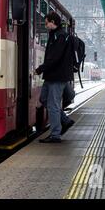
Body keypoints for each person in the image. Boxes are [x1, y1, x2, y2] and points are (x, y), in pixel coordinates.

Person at [35, 11, 75, 143]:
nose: (46, 25)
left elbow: (55, 58)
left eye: (47, 23)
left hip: (57, 76)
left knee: (53, 105)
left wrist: (41, 68)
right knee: (44, 99)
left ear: (53, 22)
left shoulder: (60, 36)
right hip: (52, 76)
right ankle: (65, 121)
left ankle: (55, 135)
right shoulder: (55, 35)